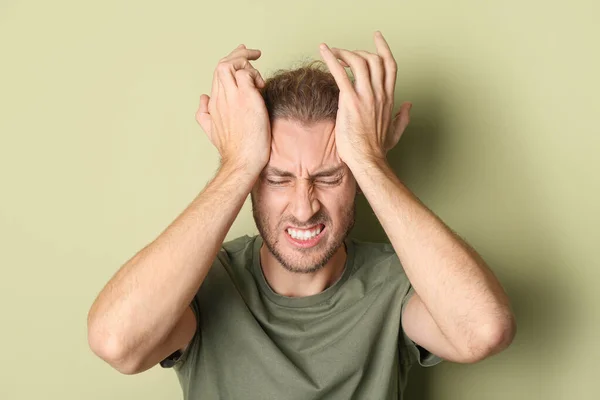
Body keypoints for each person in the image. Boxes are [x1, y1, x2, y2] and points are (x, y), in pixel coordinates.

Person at [87, 31, 516, 399]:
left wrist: (370, 160)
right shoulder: (204, 282)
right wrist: (236, 164)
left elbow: (484, 330)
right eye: (276, 178)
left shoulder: (397, 285)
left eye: (329, 176)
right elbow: (115, 341)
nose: (303, 206)